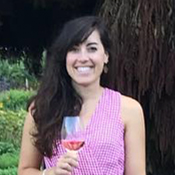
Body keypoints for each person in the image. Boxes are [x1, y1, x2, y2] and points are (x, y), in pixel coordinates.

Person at [18, 16, 146, 175]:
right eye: (74, 49)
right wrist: (50, 173)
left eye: (92, 48)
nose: (83, 58)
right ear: (64, 57)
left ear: (106, 55)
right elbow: (24, 170)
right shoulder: (43, 107)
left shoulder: (129, 109)